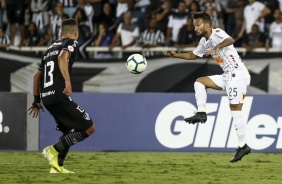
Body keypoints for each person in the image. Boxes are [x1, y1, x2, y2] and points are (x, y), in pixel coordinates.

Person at [164, 12, 251, 163]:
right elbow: (193, 55)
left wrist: (217, 46)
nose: (195, 28)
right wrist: (176, 55)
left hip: (238, 75)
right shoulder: (204, 41)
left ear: (207, 25)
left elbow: (231, 39)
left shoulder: (217, 33)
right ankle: (201, 113)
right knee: (200, 82)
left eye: (198, 25)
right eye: (194, 25)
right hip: (227, 76)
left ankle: (243, 145)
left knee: (236, 111)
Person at [27, 18, 95, 173]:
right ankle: (53, 150)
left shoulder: (49, 49)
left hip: (47, 98)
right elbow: (62, 58)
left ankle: (58, 167)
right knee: (89, 128)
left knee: (68, 131)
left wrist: (36, 100)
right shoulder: (71, 43)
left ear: (61, 32)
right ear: (76, 33)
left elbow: (36, 77)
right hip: (59, 96)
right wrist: (68, 81)